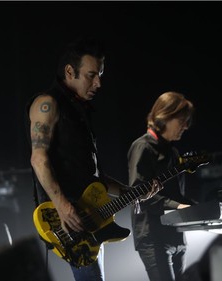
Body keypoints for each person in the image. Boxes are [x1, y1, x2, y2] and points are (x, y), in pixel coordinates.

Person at [25, 37, 160, 281]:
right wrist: (63, 207)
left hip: (92, 218)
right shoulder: (47, 104)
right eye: (91, 75)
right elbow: (39, 159)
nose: (98, 83)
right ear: (69, 71)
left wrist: (132, 192)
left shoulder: (80, 114)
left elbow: (93, 179)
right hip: (69, 221)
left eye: (100, 75)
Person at [127, 91, 197, 281]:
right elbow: (138, 195)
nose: (185, 126)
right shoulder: (142, 147)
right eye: (182, 120)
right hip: (153, 237)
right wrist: (178, 206)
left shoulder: (173, 152)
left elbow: (177, 195)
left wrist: (200, 207)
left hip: (176, 234)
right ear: (165, 116)